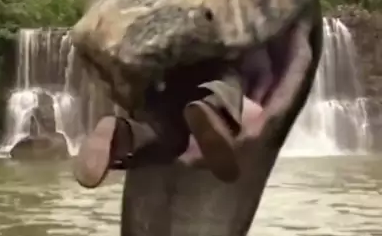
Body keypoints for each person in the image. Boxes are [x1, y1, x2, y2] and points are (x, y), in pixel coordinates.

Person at [73, 62, 266, 189]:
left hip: (159, 79)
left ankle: (124, 133)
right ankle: (212, 109)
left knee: (168, 138)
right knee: (228, 84)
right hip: (208, 65)